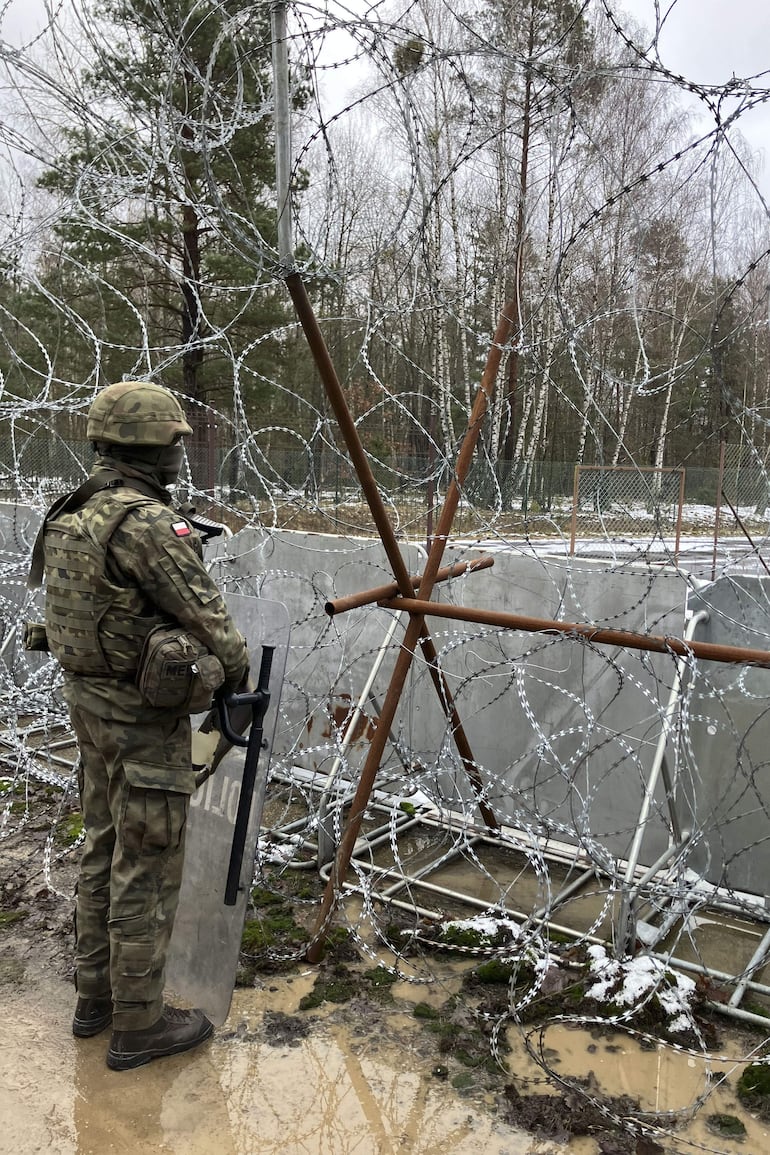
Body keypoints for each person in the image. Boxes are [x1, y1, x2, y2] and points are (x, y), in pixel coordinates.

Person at [29, 380, 249, 1071]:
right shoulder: (149, 523)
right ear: (150, 445)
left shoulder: (73, 510)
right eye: (174, 442)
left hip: (88, 705)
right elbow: (214, 623)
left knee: (101, 845)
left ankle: (93, 1000)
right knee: (145, 863)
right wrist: (234, 676)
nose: (180, 454)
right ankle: (139, 1023)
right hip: (142, 718)